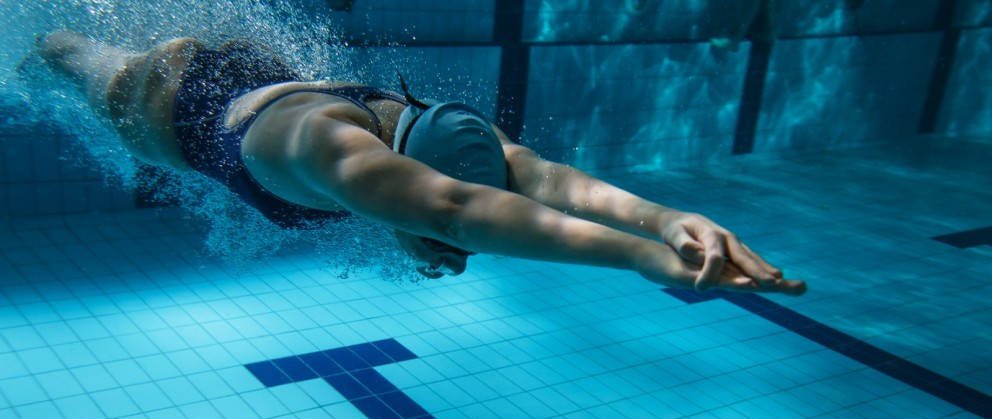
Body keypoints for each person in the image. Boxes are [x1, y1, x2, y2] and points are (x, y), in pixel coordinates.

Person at [35, 31, 805, 295]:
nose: (455, 259)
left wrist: (670, 220)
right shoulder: (333, 152)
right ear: (404, 178)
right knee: (71, 59)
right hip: (168, 103)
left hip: (256, 76)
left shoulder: (447, 132)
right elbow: (453, 210)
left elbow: (541, 179)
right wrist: (642, 259)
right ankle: (41, 39)